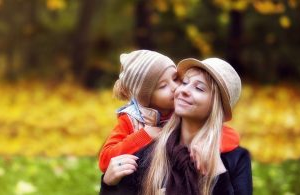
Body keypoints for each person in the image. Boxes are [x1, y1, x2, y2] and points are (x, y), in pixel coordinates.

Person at [100, 58, 252, 195]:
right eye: (184, 82)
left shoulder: (235, 158)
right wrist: (108, 186)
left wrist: (217, 171)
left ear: (216, 107)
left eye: (199, 88)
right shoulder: (147, 148)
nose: (182, 90)